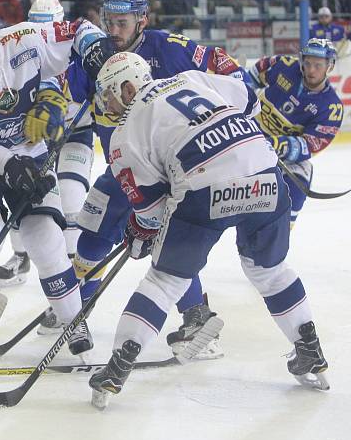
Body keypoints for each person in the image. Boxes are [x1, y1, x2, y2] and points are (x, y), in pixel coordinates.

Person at [88, 52, 329, 410]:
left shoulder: (123, 134)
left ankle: (117, 367)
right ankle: (309, 348)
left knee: (164, 282)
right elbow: (248, 97)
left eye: (108, 94)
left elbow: (151, 210)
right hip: (264, 172)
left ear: (127, 86)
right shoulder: (191, 78)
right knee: (269, 270)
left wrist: (140, 232)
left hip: (204, 188)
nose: (105, 103)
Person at [71, 0, 252, 358]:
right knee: (91, 234)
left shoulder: (169, 47)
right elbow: (65, 90)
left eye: (122, 22)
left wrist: (231, 118)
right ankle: (74, 312)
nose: (114, 30)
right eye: (109, 22)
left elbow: (233, 76)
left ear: (142, 20)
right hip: (123, 167)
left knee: (164, 244)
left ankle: (197, 318)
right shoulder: (98, 56)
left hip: (172, 173)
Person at [0, 9, 114, 364]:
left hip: (28, 144)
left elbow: (77, 30)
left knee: (45, 235)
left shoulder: (24, 39)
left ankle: (72, 321)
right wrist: (12, 166)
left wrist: (94, 49)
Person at [0, 0, 93, 286]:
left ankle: (74, 277)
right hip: (36, 138)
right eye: (35, 27)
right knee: (23, 194)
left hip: (75, 135)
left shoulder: (80, 56)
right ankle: (21, 255)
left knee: (71, 200)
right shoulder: (19, 56)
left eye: (48, 27)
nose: (41, 36)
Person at [248, 38, 343, 226]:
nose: (311, 70)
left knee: (300, 181)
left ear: (329, 66)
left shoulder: (331, 107)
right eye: (307, 63)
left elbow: (311, 144)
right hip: (248, 135)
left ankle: (278, 233)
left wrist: (277, 145)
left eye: (318, 65)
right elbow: (251, 75)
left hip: (279, 152)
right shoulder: (283, 65)